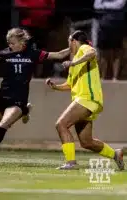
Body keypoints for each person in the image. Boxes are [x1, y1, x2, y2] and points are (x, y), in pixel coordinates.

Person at [0, 27, 71, 161]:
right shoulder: (5, 53)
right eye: (9, 43)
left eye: (12, 43)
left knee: (3, 126)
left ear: (22, 42)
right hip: (3, 96)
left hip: (19, 98)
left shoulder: (33, 54)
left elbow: (59, 55)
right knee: (3, 122)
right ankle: (25, 111)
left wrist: (75, 46)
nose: (10, 45)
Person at [46, 30, 124, 170]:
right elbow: (70, 85)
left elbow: (92, 52)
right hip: (84, 101)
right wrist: (55, 87)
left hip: (87, 98)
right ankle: (115, 154)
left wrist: (74, 62)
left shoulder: (83, 48)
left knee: (61, 124)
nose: (69, 45)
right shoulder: (75, 61)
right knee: (86, 142)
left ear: (74, 41)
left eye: (69, 42)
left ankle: (70, 162)